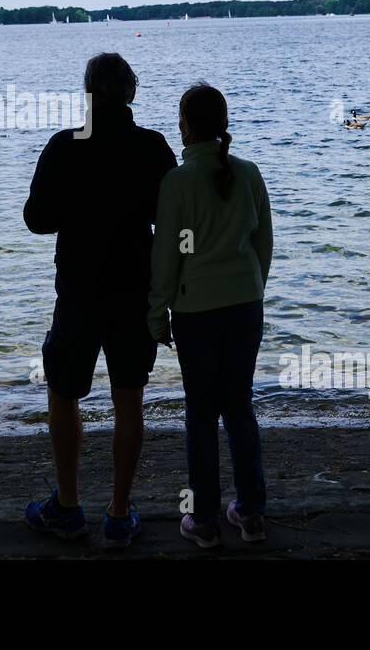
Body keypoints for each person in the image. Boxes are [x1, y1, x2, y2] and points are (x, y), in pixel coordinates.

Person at [23, 53, 177, 547]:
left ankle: (67, 506)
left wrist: (77, 207)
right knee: (128, 397)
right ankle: (118, 512)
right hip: (134, 290)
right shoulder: (152, 147)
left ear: (88, 94)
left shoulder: (64, 147)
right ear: (130, 92)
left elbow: (36, 219)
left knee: (64, 394)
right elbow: (169, 221)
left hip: (79, 291)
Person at [148, 82, 273, 548]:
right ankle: (252, 513)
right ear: (223, 126)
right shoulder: (250, 173)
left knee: (201, 415)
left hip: (196, 311)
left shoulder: (177, 183)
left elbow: (167, 258)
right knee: (240, 408)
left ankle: (203, 520)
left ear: (184, 128)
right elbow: (263, 244)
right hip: (245, 305)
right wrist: (252, 288)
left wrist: (156, 315)